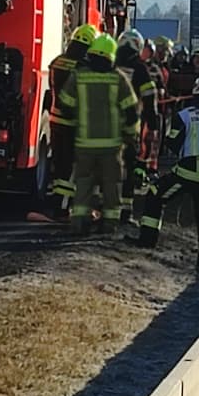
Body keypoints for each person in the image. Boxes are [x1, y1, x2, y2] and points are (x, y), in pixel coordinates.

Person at [136, 72, 199, 273]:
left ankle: (147, 241)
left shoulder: (185, 115)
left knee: (155, 194)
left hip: (187, 173)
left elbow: (172, 143)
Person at [55, 32, 139, 236]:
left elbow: (65, 104)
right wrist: (129, 136)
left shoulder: (78, 76)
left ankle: (79, 223)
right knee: (111, 186)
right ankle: (108, 225)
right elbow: (131, 112)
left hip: (84, 143)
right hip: (112, 146)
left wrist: (79, 117)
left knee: (83, 184)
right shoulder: (118, 78)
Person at [47, 22, 100, 218]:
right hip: (73, 124)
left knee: (59, 165)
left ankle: (57, 202)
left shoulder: (58, 61)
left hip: (55, 120)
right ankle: (61, 208)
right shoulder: (83, 67)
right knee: (69, 169)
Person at [115, 28, 158, 222]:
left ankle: (102, 209)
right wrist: (153, 124)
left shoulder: (109, 64)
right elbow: (149, 99)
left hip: (105, 124)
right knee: (129, 168)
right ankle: (125, 211)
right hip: (129, 127)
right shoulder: (140, 69)